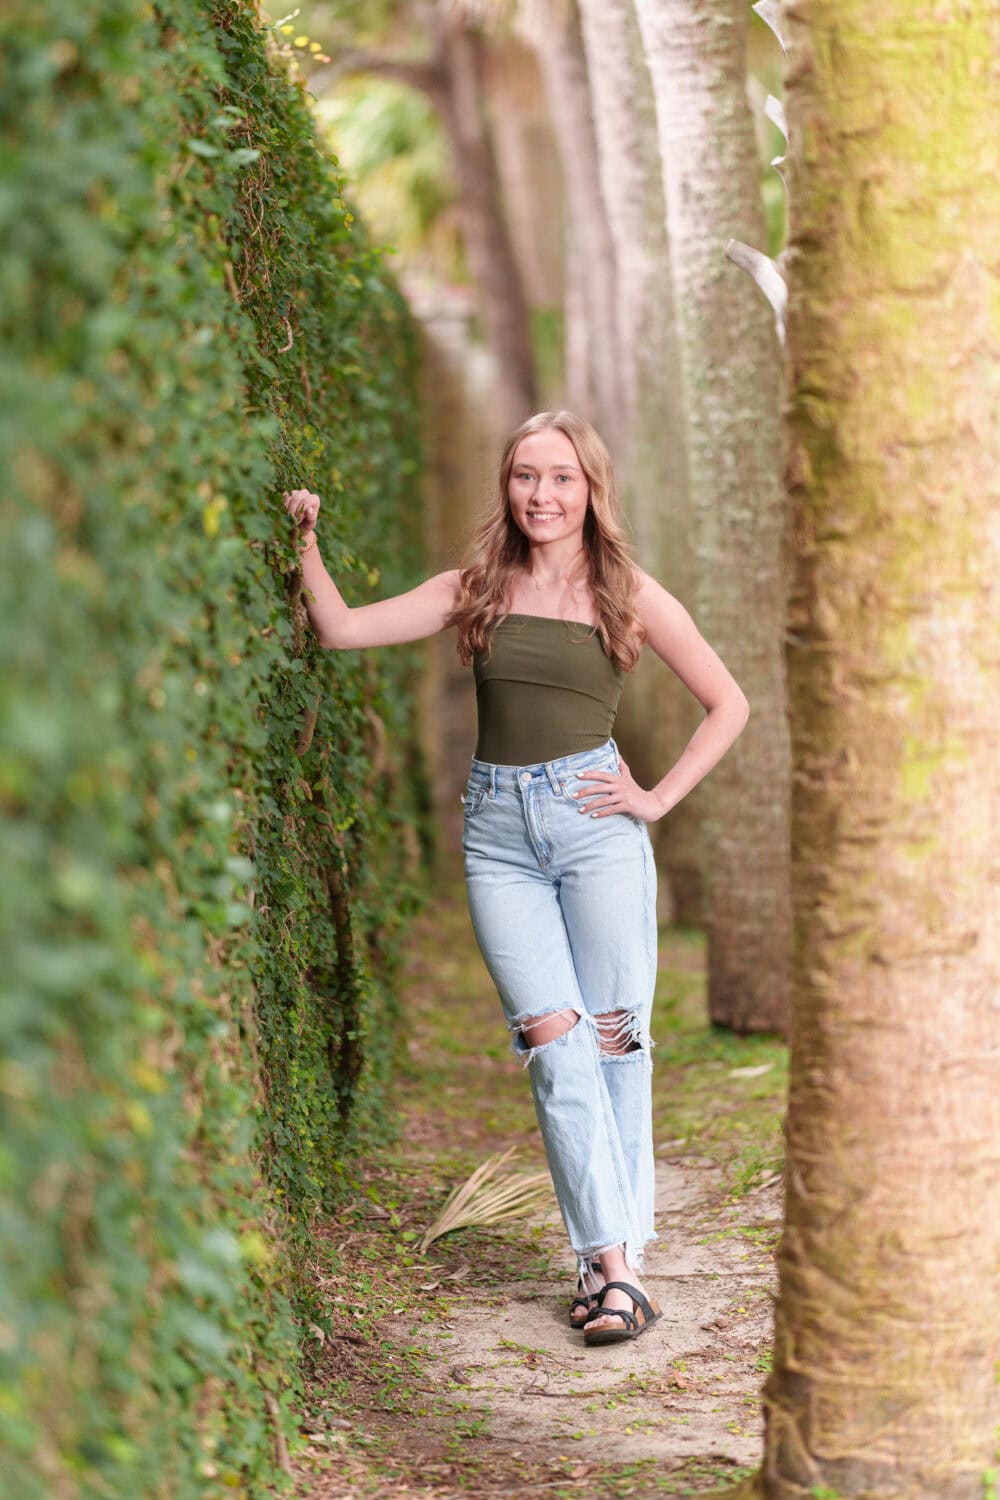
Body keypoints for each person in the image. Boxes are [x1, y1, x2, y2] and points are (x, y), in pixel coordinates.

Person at [283, 410, 749, 1347]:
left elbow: (728, 702)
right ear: (507, 486)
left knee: (616, 1042)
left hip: (596, 828)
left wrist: (655, 800)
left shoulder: (627, 592)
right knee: (554, 1043)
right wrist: (304, 539)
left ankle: (610, 1264)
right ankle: (616, 1266)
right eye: (526, 476)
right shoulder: (477, 586)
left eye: (562, 478)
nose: (542, 494)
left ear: (590, 490)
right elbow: (337, 629)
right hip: (498, 835)